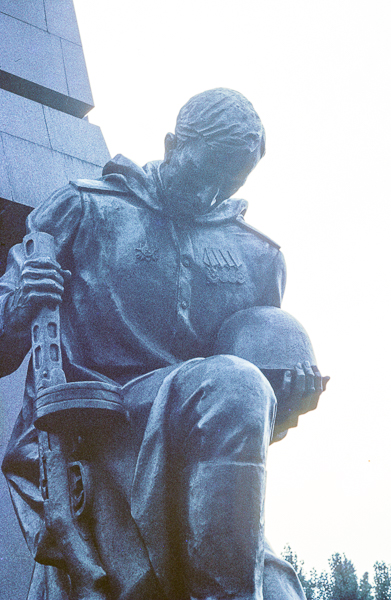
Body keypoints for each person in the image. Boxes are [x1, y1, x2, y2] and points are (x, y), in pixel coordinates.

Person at [0, 88, 327, 600]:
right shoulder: (86, 208)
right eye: (204, 172)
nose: (210, 193)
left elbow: (248, 427)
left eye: (229, 181)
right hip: (103, 421)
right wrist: (17, 305)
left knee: (283, 592)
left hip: (199, 451)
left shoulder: (256, 256)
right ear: (173, 144)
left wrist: (287, 398)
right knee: (231, 383)